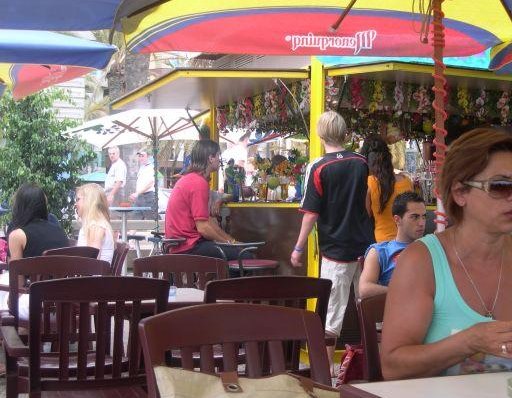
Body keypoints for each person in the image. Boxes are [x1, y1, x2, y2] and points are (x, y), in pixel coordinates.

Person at [381, 128, 512, 379]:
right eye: (500, 186)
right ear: (460, 192)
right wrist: (469, 342)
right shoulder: (423, 262)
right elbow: (393, 367)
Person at [290, 110, 374, 370]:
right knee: (368, 307)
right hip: (364, 247)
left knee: (331, 315)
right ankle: (375, 365)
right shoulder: (361, 162)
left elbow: (311, 213)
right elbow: (367, 203)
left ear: (320, 133)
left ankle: (324, 374)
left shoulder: (318, 166)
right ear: (344, 131)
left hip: (335, 250)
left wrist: (298, 247)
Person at [165, 139, 248, 262]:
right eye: (218, 155)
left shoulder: (190, 179)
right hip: (188, 247)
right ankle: (225, 281)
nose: (220, 159)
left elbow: (207, 222)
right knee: (246, 257)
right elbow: (203, 228)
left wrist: (232, 242)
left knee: (239, 252)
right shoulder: (198, 182)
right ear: (211, 158)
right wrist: (231, 243)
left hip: (181, 245)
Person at [0, 183, 69, 318]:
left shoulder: (18, 235)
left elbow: (18, 285)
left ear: (19, 206)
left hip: (34, 306)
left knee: (4, 300)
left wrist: (10, 302)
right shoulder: (60, 231)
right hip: (62, 307)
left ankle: (15, 336)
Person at [359, 192, 426, 298]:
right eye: (415, 217)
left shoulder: (431, 247)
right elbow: (364, 289)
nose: (421, 223)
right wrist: (403, 292)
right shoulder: (380, 251)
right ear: (397, 220)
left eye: (424, 217)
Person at [360, 134, 414, 242]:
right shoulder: (407, 181)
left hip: (382, 244)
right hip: (406, 243)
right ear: (388, 157)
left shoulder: (370, 183)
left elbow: (366, 215)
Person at [75, 183, 115, 264]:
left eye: (78, 199)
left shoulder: (96, 226)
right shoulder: (96, 224)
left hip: (92, 275)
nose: (75, 204)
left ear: (88, 201)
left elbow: (92, 264)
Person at [130, 148, 156, 220]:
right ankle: (132, 231)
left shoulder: (151, 167)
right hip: (140, 197)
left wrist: (137, 193)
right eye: (140, 156)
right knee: (136, 217)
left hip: (148, 197)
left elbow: (150, 183)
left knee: (151, 221)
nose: (140, 158)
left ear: (148, 156)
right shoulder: (142, 167)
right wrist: (137, 194)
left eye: (143, 156)